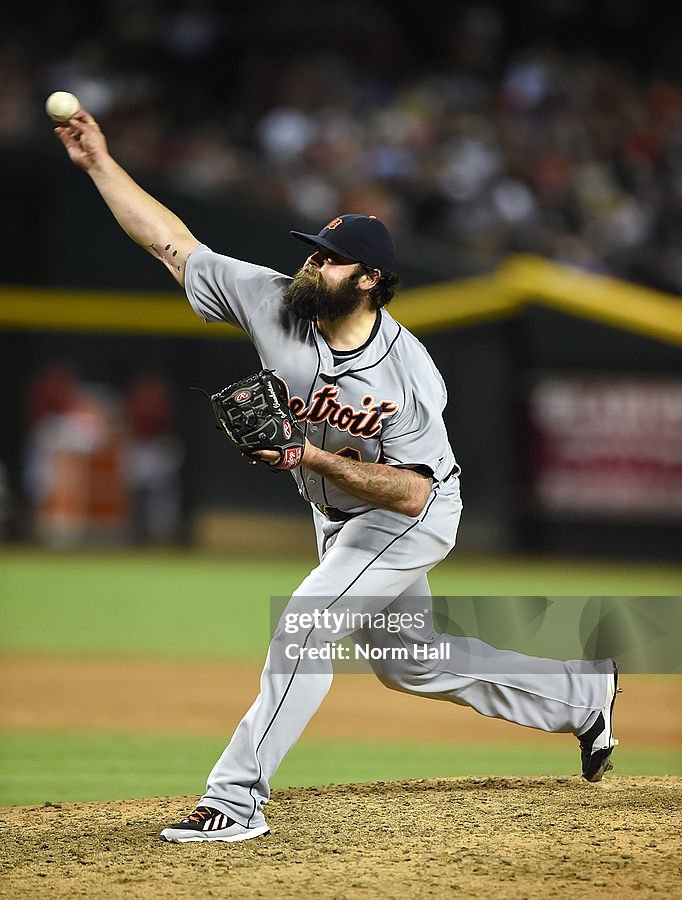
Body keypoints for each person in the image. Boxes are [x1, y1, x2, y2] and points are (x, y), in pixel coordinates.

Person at [54, 109, 619, 844]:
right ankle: (582, 696)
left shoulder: (407, 374)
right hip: (337, 513)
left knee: (304, 627)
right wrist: (98, 161)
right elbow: (171, 244)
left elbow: (413, 490)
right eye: (313, 254)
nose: (311, 267)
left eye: (329, 260)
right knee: (410, 663)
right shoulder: (270, 302)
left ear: (371, 279)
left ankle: (235, 800)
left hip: (410, 514)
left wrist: (309, 456)